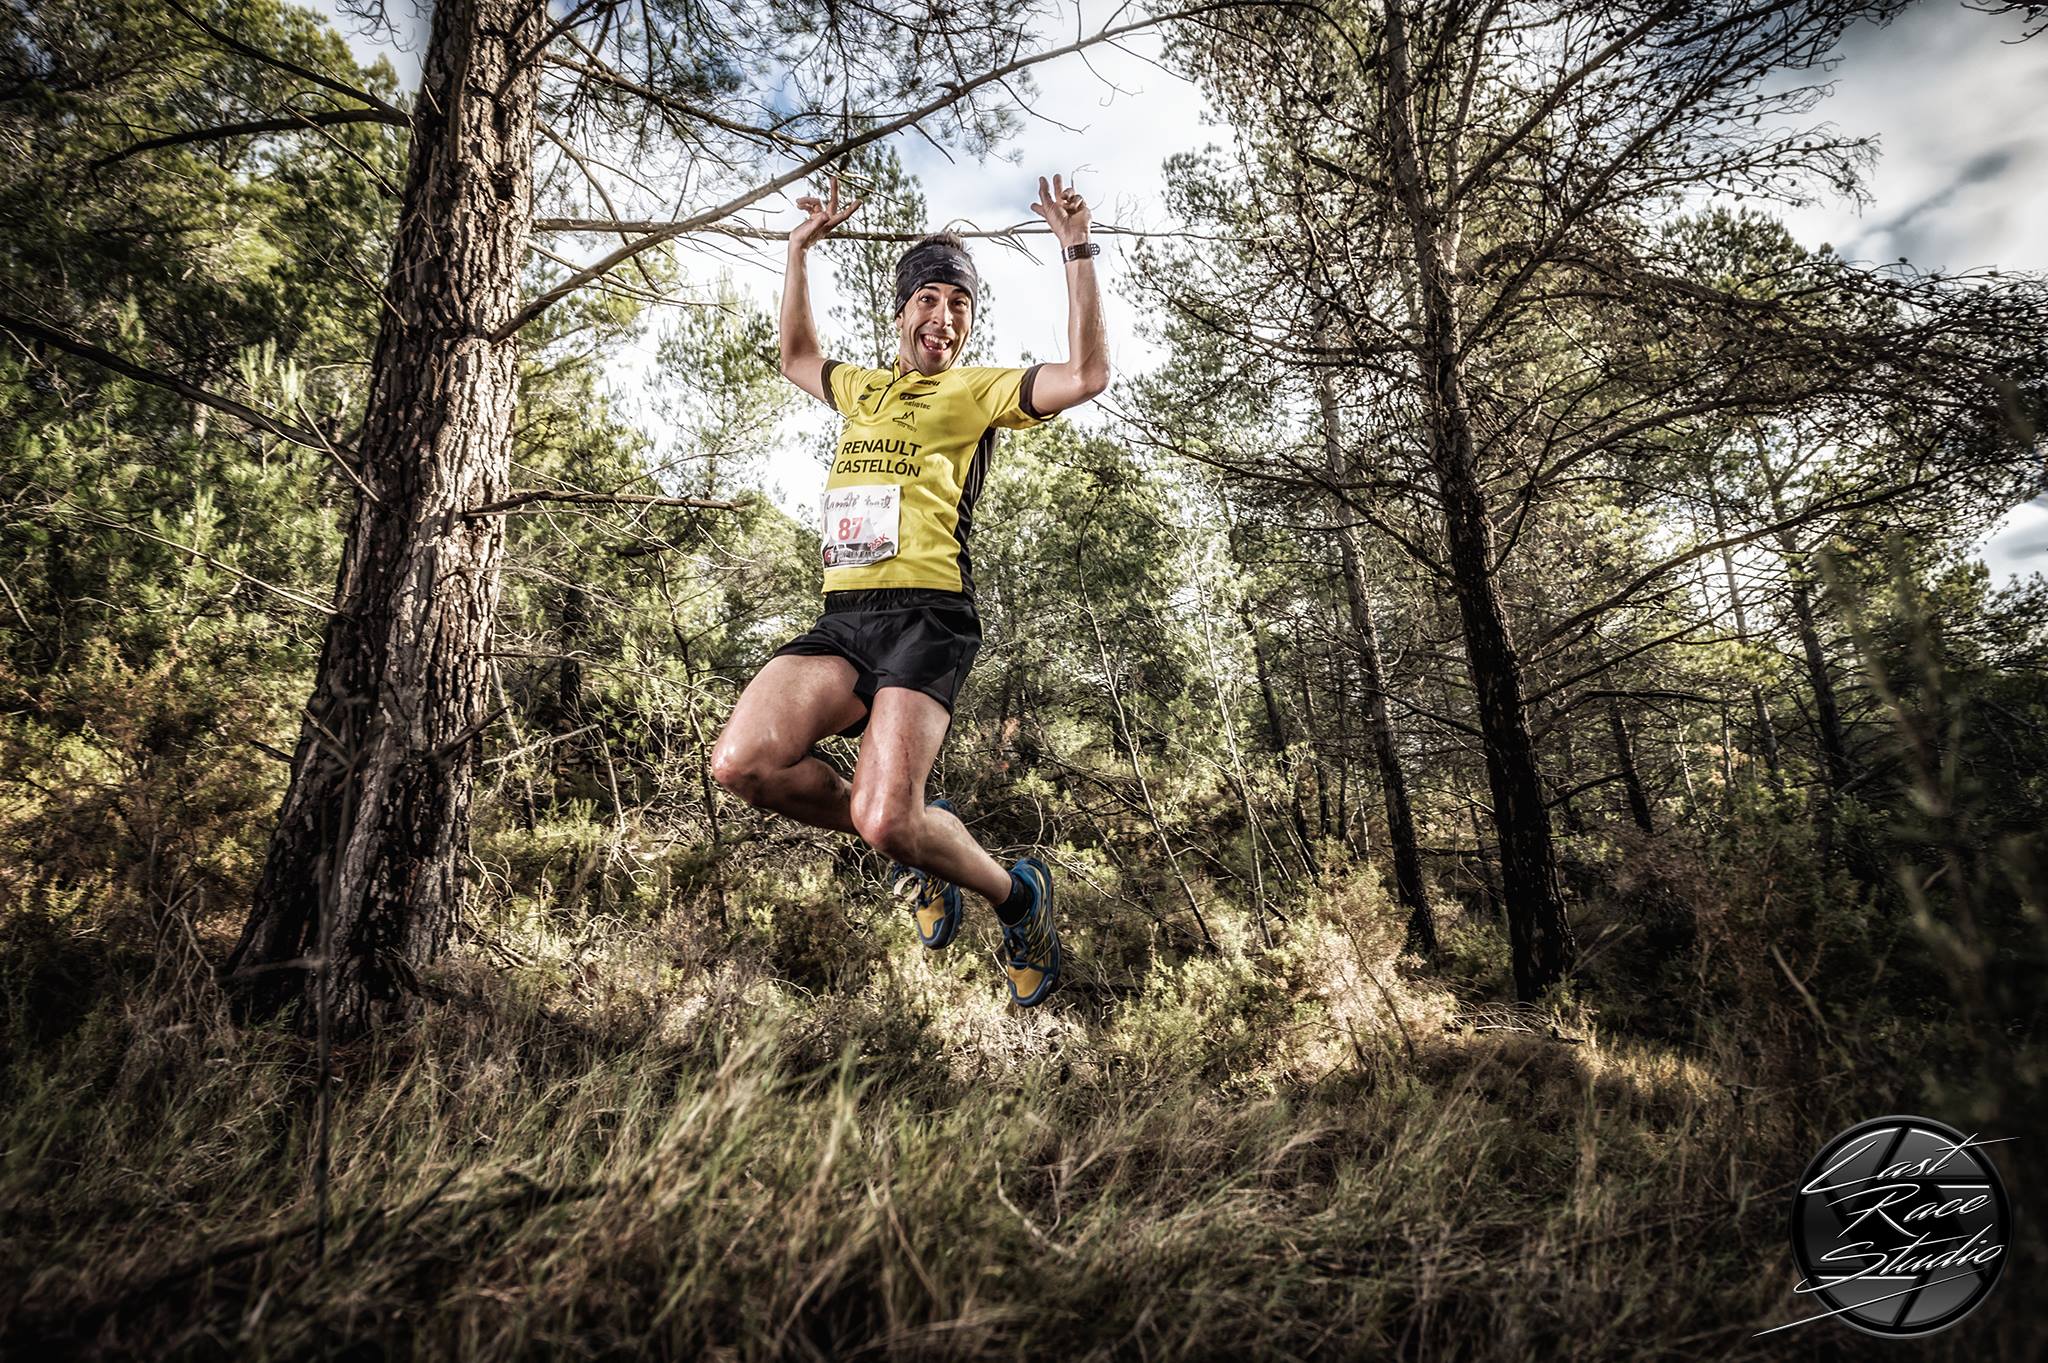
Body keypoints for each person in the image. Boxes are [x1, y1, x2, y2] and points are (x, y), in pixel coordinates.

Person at [711, 173, 1109, 1008]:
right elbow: (794, 356)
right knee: (741, 764)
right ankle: (919, 838)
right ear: (901, 312)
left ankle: (1016, 895)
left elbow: (1087, 373)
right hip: (845, 620)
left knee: (888, 818)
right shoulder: (861, 389)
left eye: (960, 304)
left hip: (928, 617)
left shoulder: (976, 392)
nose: (946, 316)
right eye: (929, 297)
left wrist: (1075, 247)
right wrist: (797, 251)